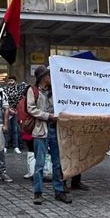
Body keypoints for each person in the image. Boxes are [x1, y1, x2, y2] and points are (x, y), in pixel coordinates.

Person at [28, 65, 71, 205]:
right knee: (39, 163)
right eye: (49, 75)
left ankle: (59, 190)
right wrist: (48, 116)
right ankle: (38, 192)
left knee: (57, 162)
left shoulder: (55, 91)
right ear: (42, 78)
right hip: (40, 130)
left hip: (55, 130)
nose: (51, 78)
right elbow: (31, 109)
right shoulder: (32, 90)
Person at [4, 75, 24, 154]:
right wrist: (9, 109)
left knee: (15, 129)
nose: (10, 82)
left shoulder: (18, 89)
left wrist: (15, 110)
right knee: (6, 129)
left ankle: (16, 146)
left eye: (12, 81)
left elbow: (20, 98)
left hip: (15, 111)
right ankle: (5, 146)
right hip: (6, 111)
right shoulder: (4, 89)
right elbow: (3, 100)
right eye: (9, 81)